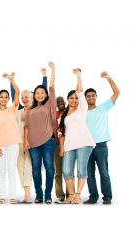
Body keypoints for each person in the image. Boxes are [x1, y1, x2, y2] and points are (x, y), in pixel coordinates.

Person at [59, 68, 96, 204]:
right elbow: (61, 133)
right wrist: (62, 147)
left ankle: (78, 195)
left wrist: (79, 76)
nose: (74, 100)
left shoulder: (82, 108)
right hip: (69, 145)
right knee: (67, 171)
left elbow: (80, 91)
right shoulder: (63, 115)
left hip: (84, 143)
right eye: (71, 98)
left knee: (81, 170)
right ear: (68, 100)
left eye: (76, 98)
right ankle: (70, 195)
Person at [83, 71, 120, 205]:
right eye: (88, 96)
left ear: (96, 97)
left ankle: (107, 197)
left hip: (101, 145)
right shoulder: (82, 113)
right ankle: (93, 197)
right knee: (89, 174)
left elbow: (117, 93)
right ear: (85, 98)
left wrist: (109, 78)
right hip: (86, 147)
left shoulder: (103, 108)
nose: (91, 97)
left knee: (104, 172)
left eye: (93, 95)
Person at [24, 62, 57, 204]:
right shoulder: (29, 110)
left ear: (45, 95)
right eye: (37, 93)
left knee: (50, 168)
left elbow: (51, 87)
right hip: (33, 144)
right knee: (36, 170)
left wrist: (53, 70)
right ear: (34, 95)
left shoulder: (50, 104)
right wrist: (26, 141)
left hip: (48, 141)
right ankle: (39, 194)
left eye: (42, 93)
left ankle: (48, 195)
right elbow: (26, 127)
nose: (40, 95)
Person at [0, 72, 20, 204]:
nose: (4, 99)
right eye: (2, 97)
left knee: (11, 169)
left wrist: (12, 80)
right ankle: (1, 196)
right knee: (1, 171)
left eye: (6, 97)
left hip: (13, 143)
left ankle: (12, 195)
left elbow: (17, 92)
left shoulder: (12, 109)